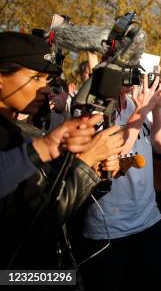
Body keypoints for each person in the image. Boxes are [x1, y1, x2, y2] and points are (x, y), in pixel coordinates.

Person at [0, 31, 122, 269]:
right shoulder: (9, 141)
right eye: (36, 78)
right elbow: (36, 223)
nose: (45, 89)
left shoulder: (28, 134)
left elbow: (66, 207)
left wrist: (96, 171)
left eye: (47, 80)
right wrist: (85, 164)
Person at [81, 73, 161, 290]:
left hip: (148, 219)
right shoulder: (94, 109)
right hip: (111, 228)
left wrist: (158, 107)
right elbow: (117, 149)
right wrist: (144, 109)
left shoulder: (137, 105)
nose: (133, 79)